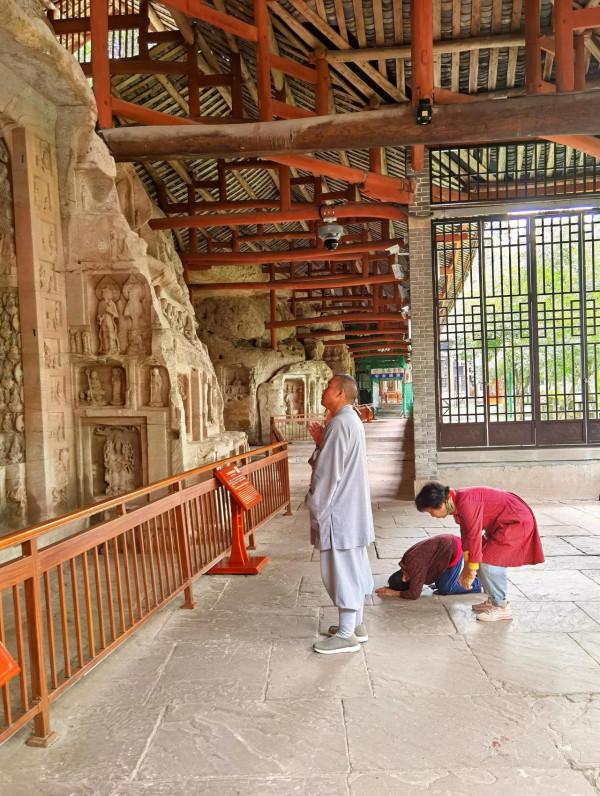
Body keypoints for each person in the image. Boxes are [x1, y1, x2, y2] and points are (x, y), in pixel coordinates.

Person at [307, 374, 374, 654]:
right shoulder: (351, 420)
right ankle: (356, 625)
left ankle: (346, 634)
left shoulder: (338, 423)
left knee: (342, 570)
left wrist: (315, 506)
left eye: (327, 388)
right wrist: (322, 443)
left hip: (340, 512)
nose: (323, 391)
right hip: (353, 509)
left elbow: (327, 474)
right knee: (354, 565)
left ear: (339, 394)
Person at [415, 482, 544, 622]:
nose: (432, 515)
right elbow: (467, 537)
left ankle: (502, 607)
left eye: (430, 512)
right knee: (480, 555)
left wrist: (471, 570)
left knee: (489, 562)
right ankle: (493, 600)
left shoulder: (466, 502)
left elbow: (474, 538)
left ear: (440, 504)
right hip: (502, 526)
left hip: (516, 523)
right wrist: (466, 566)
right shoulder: (457, 500)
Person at [375, 533, 482, 601]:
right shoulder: (406, 562)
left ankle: (478, 583)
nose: (404, 577)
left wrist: (393, 593)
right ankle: (454, 579)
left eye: (404, 577)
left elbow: (414, 594)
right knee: (440, 584)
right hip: (446, 547)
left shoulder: (415, 568)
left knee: (446, 589)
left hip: (453, 550)